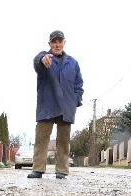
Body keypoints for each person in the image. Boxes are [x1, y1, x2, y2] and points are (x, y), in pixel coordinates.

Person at [28, 30, 84, 180]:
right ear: (50, 44)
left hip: (67, 106)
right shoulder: (45, 58)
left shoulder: (73, 63)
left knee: (64, 141)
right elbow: (37, 62)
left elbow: (79, 85)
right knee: (41, 139)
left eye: (60, 41)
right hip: (47, 104)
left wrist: (76, 100)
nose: (57, 44)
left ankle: (62, 170)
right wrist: (42, 59)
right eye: (54, 42)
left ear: (64, 43)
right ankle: (38, 169)